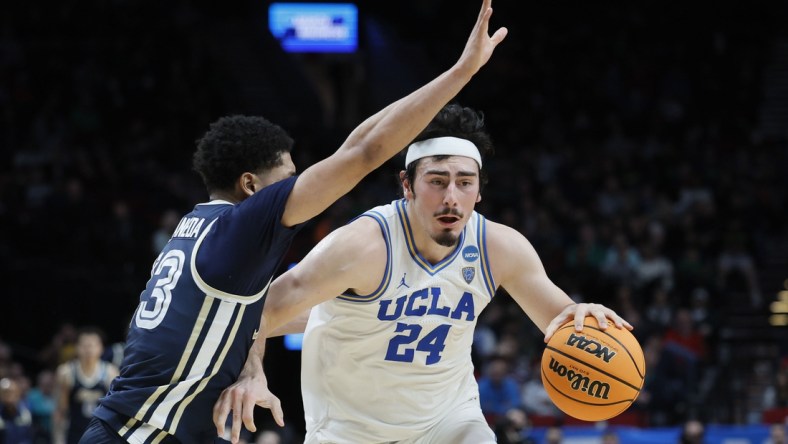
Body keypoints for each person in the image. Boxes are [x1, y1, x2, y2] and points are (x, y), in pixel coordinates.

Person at [82, 0, 508, 442]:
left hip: (141, 425)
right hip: (142, 434)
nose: (299, 187)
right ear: (251, 186)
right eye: (288, 180)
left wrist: (252, 369)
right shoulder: (245, 226)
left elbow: (353, 146)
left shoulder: (199, 228)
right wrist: (462, 72)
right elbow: (364, 155)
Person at [214, 102, 633, 443]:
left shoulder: (499, 247)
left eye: (465, 183)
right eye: (437, 181)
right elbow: (256, 308)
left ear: (480, 189)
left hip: (448, 422)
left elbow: (561, 321)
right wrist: (252, 373)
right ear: (407, 184)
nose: (452, 197)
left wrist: (585, 319)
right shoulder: (361, 246)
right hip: (350, 430)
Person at [53, 326, 118, 444]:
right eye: (84, 345)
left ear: (101, 348)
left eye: (92, 345)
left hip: (102, 436)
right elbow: (60, 412)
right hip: (75, 434)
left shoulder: (110, 372)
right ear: (76, 347)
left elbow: (115, 411)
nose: (88, 350)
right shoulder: (66, 372)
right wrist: (58, 440)